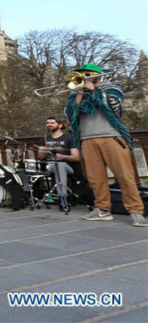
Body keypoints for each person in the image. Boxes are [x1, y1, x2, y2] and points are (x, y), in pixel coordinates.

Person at [65, 63, 145, 227]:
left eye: (87, 74)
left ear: (97, 76)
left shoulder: (112, 89)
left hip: (111, 137)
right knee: (95, 178)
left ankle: (136, 211)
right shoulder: (75, 95)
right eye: (81, 75)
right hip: (87, 139)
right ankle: (102, 209)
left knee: (125, 176)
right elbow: (69, 115)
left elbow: (116, 109)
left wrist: (94, 91)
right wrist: (79, 97)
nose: (84, 77)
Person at [36, 116, 78, 208]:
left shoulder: (69, 138)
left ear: (60, 125)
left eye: (52, 123)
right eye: (48, 123)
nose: (49, 125)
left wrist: (64, 156)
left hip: (67, 166)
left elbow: (76, 157)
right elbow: (40, 157)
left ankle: (63, 198)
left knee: (60, 165)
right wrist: (43, 151)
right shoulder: (44, 139)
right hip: (49, 166)